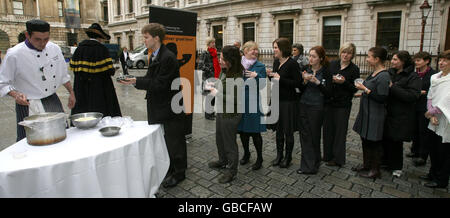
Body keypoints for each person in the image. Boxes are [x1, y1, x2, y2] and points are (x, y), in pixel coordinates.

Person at [120, 23, 187, 188]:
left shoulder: (168, 57)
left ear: (156, 38)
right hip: (162, 104)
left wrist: (136, 81)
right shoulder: (155, 54)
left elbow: (160, 84)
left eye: (146, 37)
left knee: (175, 140)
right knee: (167, 139)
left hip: (171, 106)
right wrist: (134, 80)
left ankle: (179, 173)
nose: (144, 40)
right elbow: (150, 78)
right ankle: (170, 167)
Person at [0, 19, 75, 141]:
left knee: (61, 136)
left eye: (46, 39)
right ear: (27, 35)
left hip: (52, 100)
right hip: (27, 103)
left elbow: (63, 75)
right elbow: (3, 83)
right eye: (38, 39)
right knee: (30, 140)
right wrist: (16, 95)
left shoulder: (54, 49)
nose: (42, 43)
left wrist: (71, 93)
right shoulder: (14, 54)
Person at [205, 45, 243, 183]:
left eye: (222, 58)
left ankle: (232, 171)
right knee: (219, 138)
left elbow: (236, 100)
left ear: (230, 60)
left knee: (229, 143)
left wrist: (217, 93)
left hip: (231, 114)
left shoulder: (238, 75)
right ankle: (222, 161)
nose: (219, 60)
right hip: (221, 111)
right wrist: (214, 86)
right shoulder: (224, 70)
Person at [352, 47, 390, 180]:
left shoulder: (384, 75)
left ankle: (375, 170)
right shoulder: (374, 72)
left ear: (377, 59)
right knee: (365, 139)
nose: (367, 59)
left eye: (369, 57)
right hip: (366, 113)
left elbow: (382, 97)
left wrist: (365, 89)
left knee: (374, 142)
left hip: (375, 115)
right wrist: (361, 93)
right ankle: (366, 165)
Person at [382, 51, 421, 178]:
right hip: (387, 112)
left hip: (401, 114)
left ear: (403, 61)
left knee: (396, 141)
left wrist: (393, 87)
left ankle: (396, 166)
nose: (392, 62)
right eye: (392, 59)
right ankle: (386, 162)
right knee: (386, 138)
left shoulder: (413, 76)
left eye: (395, 60)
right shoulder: (390, 72)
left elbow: (413, 96)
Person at [69, 23, 121, 117]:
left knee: (83, 110)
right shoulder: (101, 49)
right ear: (100, 38)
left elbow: (75, 69)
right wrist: (113, 70)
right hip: (99, 88)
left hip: (81, 88)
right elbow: (108, 71)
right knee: (102, 111)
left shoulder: (79, 49)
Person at [296, 46, 333, 174]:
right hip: (303, 104)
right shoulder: (305, 69)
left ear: (321, 58)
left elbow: (329, 93)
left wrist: (317, 82)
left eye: (314, 56)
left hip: (317, 107)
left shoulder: (327, 72)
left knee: (314, 135)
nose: (310, 59)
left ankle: (314, 163)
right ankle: (308, 164)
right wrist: (305, 81)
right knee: (304, 136)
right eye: (309, 55)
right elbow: (299, 89)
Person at [323, 42, 360, 167]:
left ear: (352, 55)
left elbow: (354, 89)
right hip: (329, 102)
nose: (345, 55)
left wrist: (343, 82)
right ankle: (327, 155)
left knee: (340, 132)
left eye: (349, 53)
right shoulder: (333, 64)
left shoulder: (354, 69)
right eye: (344, 52)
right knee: (328, 130)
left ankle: (337, 158)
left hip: (343, 105)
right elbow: (326, 79)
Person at [267, 38, 302, 169]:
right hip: (276, 100)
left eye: (276, 47)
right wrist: (270, 76)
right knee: (278, 131)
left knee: (288, 131)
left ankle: (288, 157)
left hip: (288, 102)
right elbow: (275, 82)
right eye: (274, 47)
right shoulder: (276, 62)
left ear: (283, 49)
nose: (274, 50)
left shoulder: (293, 64)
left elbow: (297, 83)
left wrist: (280, 78)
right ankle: (279, 156)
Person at [422, 50, 450, 188]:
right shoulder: (435, 77)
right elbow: (430, 96)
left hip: (445, 119)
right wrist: (431, 113)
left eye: (445, 60)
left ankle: (441, 179)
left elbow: (446, 101)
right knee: (432, 147)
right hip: (433, 118)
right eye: (440, 60)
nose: (441, 63)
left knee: (443, 151)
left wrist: (431, 112)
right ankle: (432, 173)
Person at [237, 41, 267, 170]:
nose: (255, 52)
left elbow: (263, 85)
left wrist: (257, 76)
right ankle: (246, 153)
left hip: (253, 102)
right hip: (240, 101)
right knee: (243, 131)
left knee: (255, 132)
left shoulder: (260, 66)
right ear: (245, 51)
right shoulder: (239, 65)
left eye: (256, 50)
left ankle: (260, 158)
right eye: (252, 50)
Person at [409, 52, 437, 166]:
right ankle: (415, 150)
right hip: (414, 105)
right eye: (415, 60)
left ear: (427, 61)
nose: (416, 63)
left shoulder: (433, 75)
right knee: (414, 129)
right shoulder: (414, 74)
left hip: (425, 107)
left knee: (423, 131)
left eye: (419, 60)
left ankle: (422, 155)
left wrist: (422, 94)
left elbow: (434, 92)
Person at [198, 37, 221, 120]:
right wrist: (210, 69)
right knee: (209, 96)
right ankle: (208, 115)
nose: (214, 44)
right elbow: (200, 66)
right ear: (208, 44)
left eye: (214, 42)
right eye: (212, 43)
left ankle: (211, 112)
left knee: (213, 95)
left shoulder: (214, 53)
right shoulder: (205, 53)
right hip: (208, 77)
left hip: (215, 77)